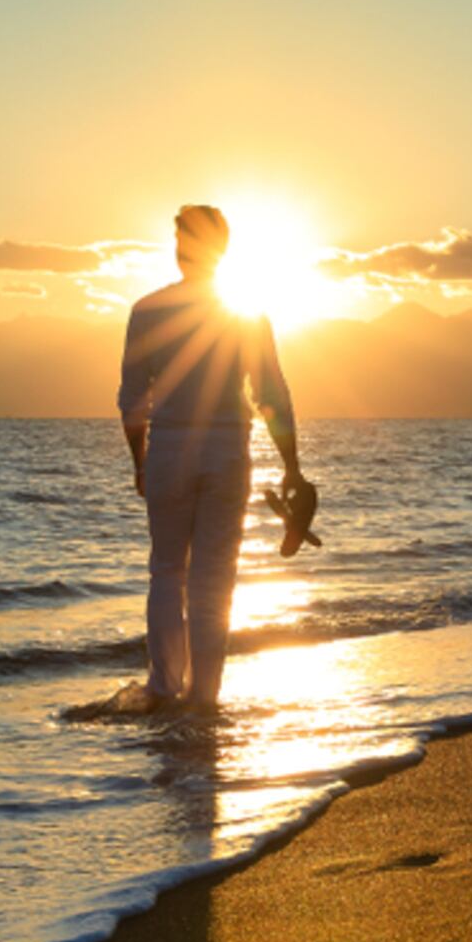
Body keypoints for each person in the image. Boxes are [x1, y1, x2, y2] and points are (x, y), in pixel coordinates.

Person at [117, 203, 305, 710]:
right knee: (213, 577)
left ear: (182, 249)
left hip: (170, 448)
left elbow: (133, 401)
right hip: (226, 448)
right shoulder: (246, 315)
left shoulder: (149, 310)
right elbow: (272, 396)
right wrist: (291, 467)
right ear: (222, 252)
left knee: (166, 572)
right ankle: (204, 697)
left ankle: (162, 688)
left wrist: (141, 461)